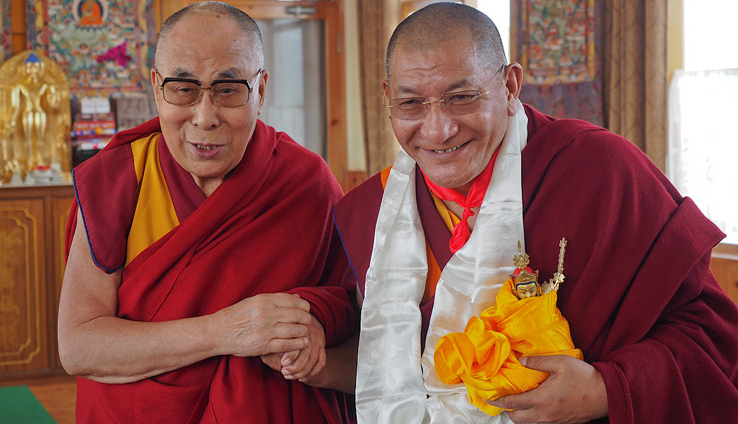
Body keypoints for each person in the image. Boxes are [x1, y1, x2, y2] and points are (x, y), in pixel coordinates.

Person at [332, 3, 738, 423]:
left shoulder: (599, 171)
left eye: (462, 97)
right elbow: (378, 362)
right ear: (388, 98)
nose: (437, 130)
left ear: (510, 86)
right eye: (411, 103)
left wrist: (605, 391)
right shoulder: (373, 214)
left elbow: (715, 339)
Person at [58, 2, 356, 422]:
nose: (204, 117)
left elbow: (354, 323)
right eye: (183, 89)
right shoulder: (120, 179)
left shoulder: (306, 183)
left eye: (228, 90)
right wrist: (226, 332)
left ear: (262, 90)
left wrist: (312, 336)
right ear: (156, 86)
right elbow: (78, 346)